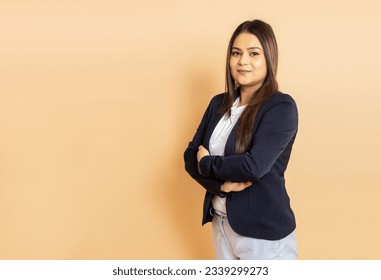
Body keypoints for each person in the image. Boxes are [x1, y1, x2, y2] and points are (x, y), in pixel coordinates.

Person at [183, 19, 298, 260]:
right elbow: (189, 157)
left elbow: (253, 166)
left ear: (269, 57)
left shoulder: (280, 107)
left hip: (263, 234)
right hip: (221, 223)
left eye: (253, 53)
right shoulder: (218, 103)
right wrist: (220, 186)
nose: (242, 61)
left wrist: (208, 164)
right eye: (236, 53)